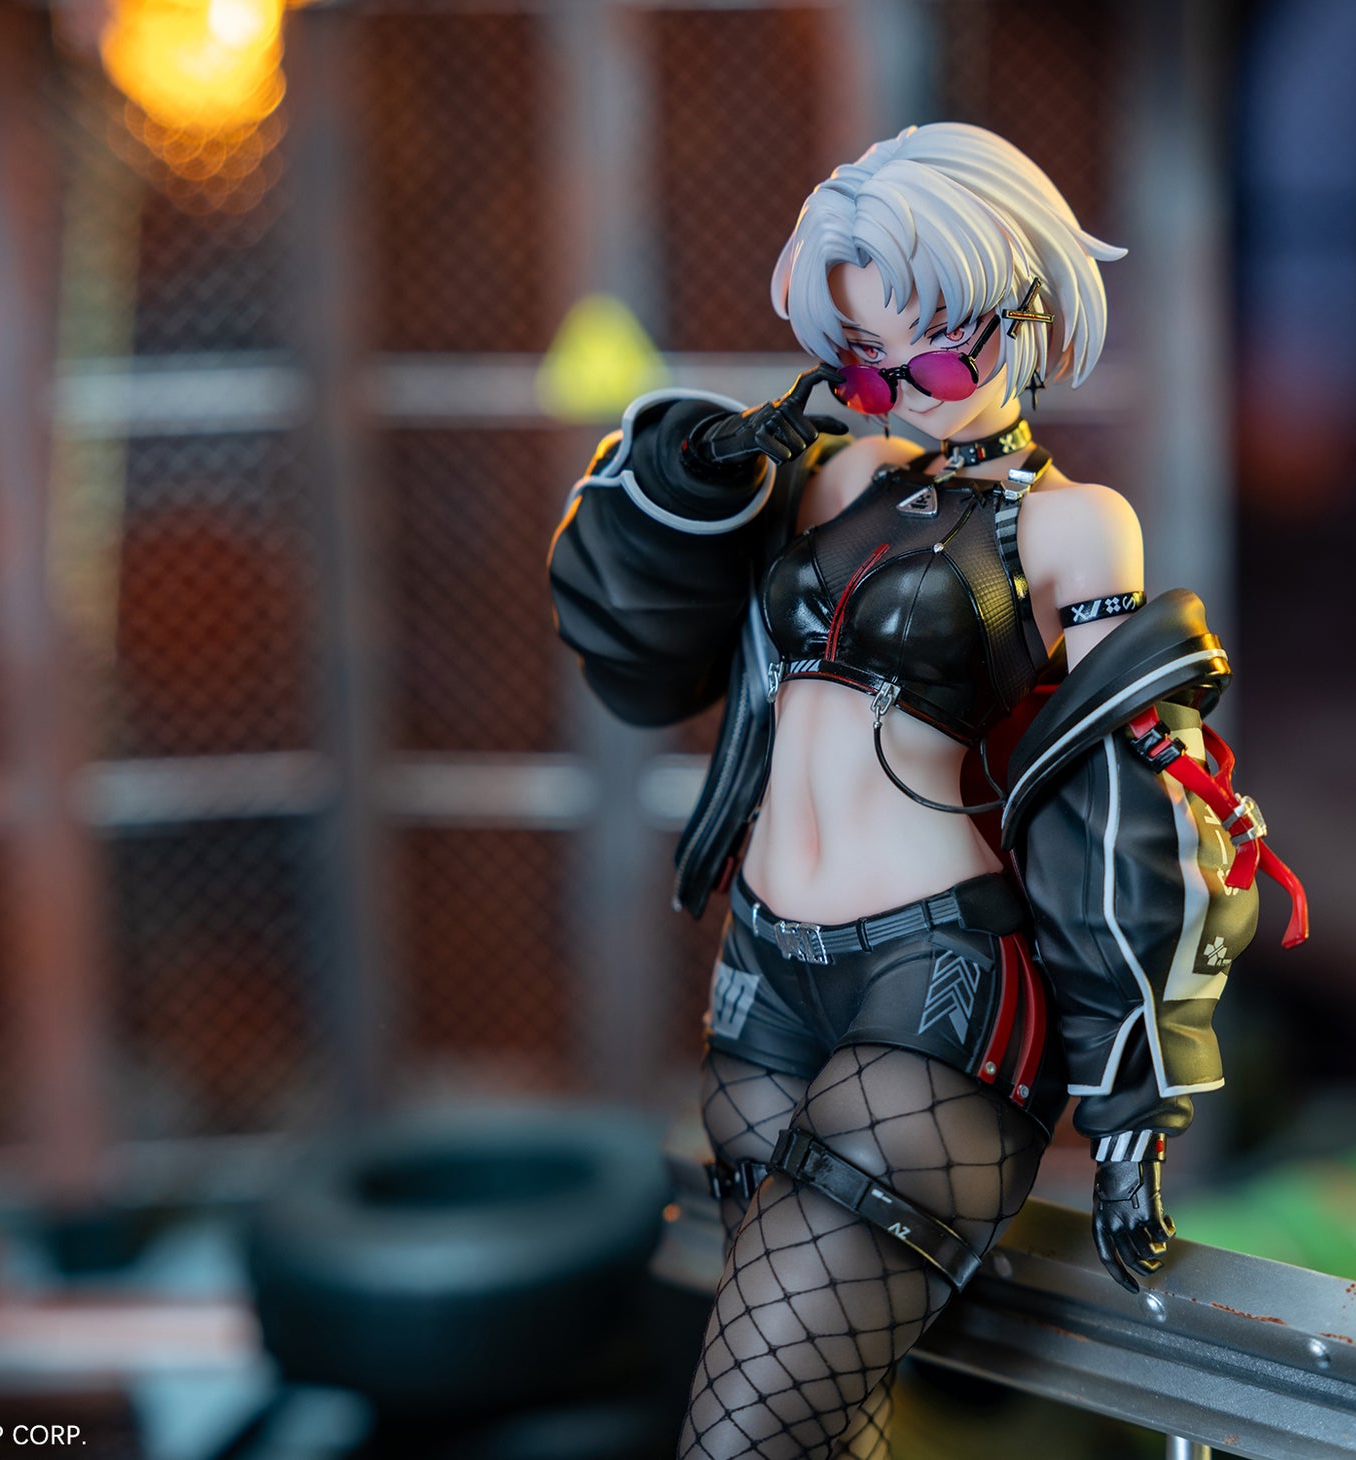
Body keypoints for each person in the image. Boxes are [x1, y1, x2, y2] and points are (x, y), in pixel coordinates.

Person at [548, 122, 1302, 1460]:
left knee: (743, 1442)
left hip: (931, 987)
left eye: (941, 358)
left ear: (1027, 314)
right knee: (821, 1428)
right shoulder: (827, 475)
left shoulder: (1074, 527)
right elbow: (640, 649)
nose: (904, 392)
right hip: (764, 975)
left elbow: (1126, 804)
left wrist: (1133, 1103)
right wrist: (698, 469)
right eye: (862, 364)